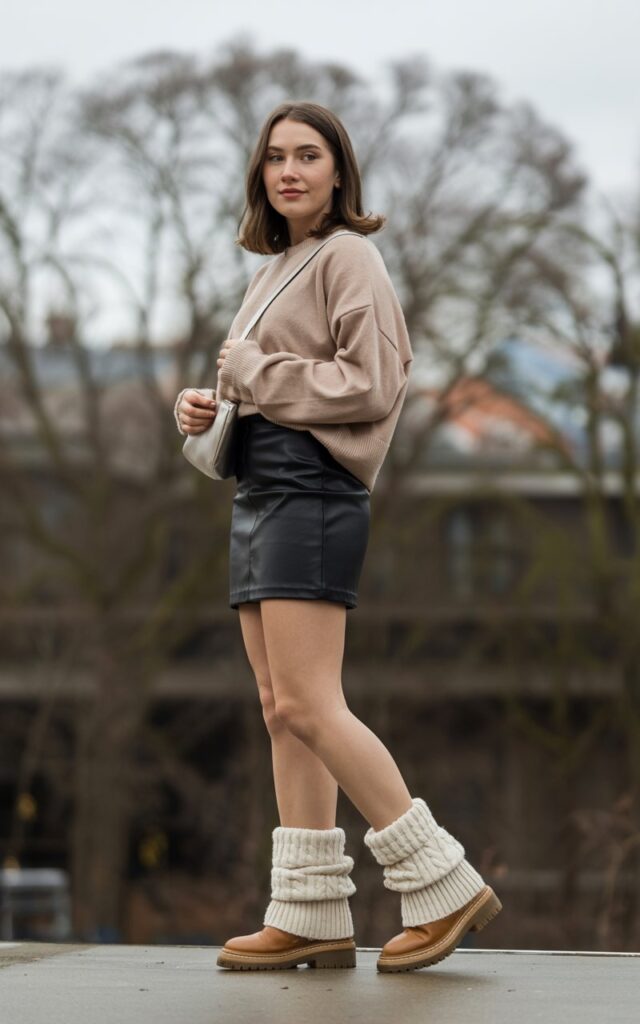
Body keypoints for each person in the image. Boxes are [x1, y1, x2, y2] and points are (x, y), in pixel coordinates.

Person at [174, 100, 501, 973]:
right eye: (275, 157)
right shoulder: (279, 266)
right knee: (281, 709)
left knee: (315, 703)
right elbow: (271, 385)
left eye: (307, 155)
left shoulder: (349, 255)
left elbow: (374, 382)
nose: (289, 170)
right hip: (261, 490)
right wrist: (208, 407)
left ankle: (444, 883)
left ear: (337, 171)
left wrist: (255, 373)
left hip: (313, 492)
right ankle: (311, 909)